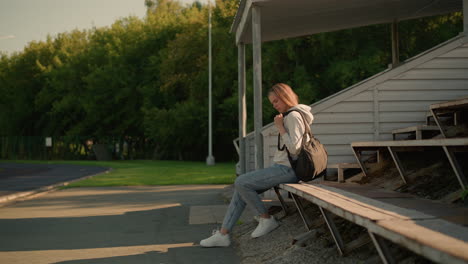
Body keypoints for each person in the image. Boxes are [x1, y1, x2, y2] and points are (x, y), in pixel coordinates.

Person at [200, 83, 314, 247]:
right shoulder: (290, 115)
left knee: (241, 182)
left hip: (289, 169)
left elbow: (295, 149)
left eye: (276, 101)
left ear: (285, 97)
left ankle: (266, 219)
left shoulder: (293, 116)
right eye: (272, 103)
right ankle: (223, 234)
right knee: (241, 190)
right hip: (283, 168)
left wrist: (280, 128)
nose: (275, 105)